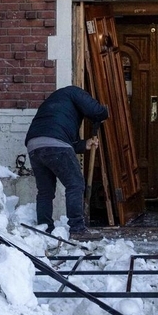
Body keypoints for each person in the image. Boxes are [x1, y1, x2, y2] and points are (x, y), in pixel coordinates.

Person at [24, 86, 109, 240]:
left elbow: (69, 142)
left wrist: (85, 144)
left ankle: (45, 228)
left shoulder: (57, 106)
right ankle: (77, 229)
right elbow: (96, 110)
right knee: (75, 184)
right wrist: (104, 114)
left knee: (45, 191)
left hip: (34, 145)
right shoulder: (75, 92)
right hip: (55, 143)